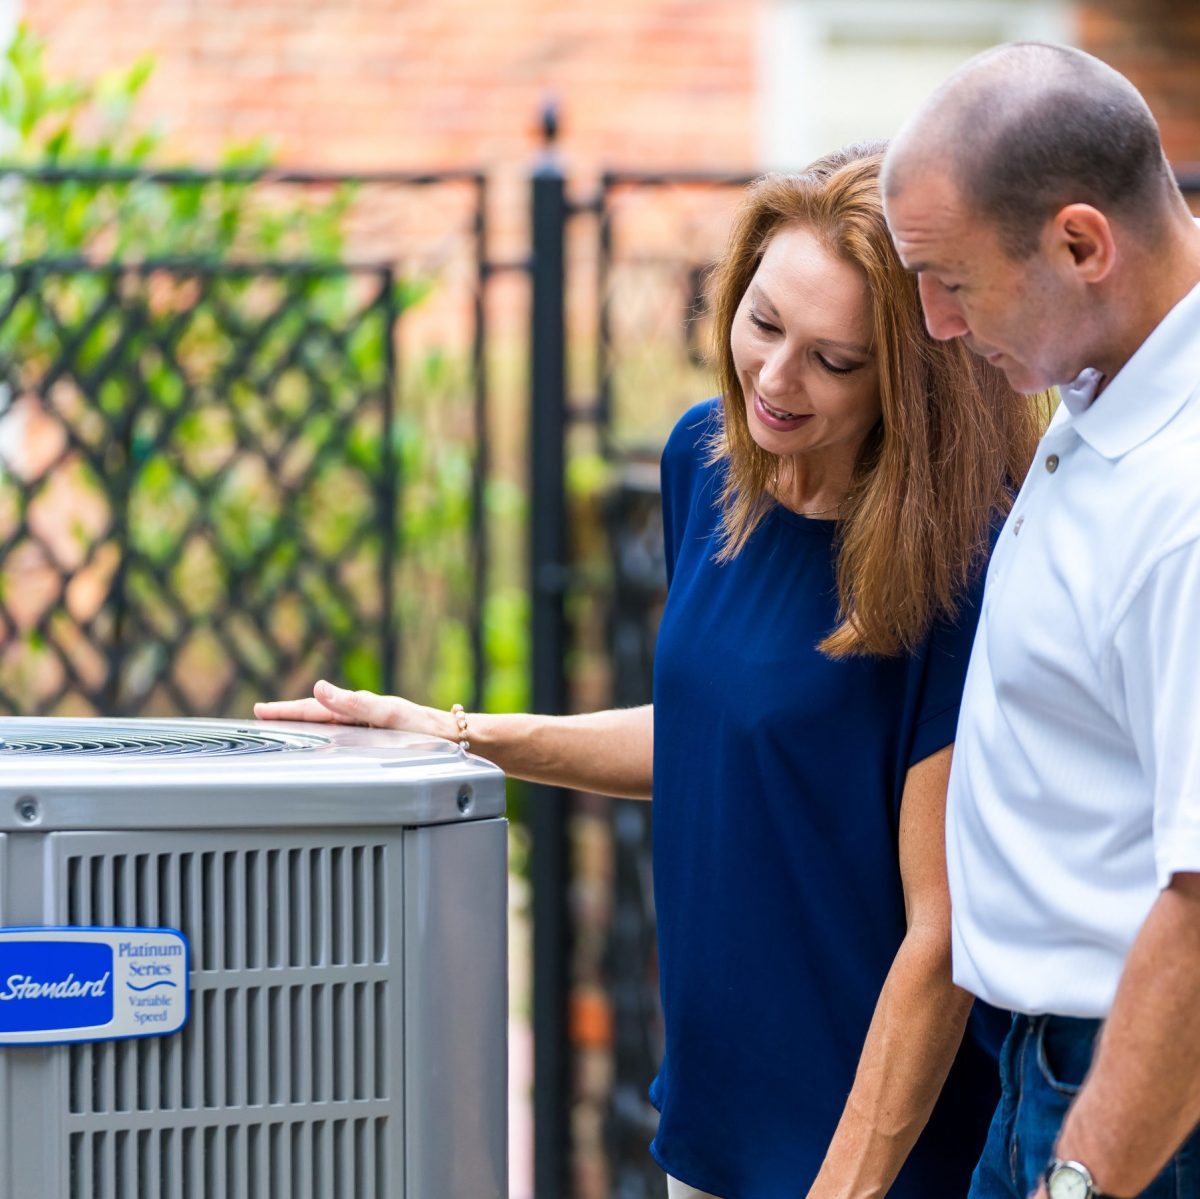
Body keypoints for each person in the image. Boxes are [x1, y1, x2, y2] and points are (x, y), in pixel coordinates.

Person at [257, 145, 1045, 1198]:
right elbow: (711, 734)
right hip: (712, 1118)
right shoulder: (706, 465)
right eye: (762, 323)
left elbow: (940, 933)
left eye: (833, 360)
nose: (774, 377)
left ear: (905, 376)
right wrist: (452, 731)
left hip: (876, 1146)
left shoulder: (963, 558)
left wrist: (844, 1186)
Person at [882, 42, 1200, 1199]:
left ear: (1080, 244)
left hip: (1134, 1100)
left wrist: (1082, 1178)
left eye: (951, 281)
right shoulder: (1108, 380)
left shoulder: (1185, 498)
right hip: (1047, 1067)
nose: (935, 324)